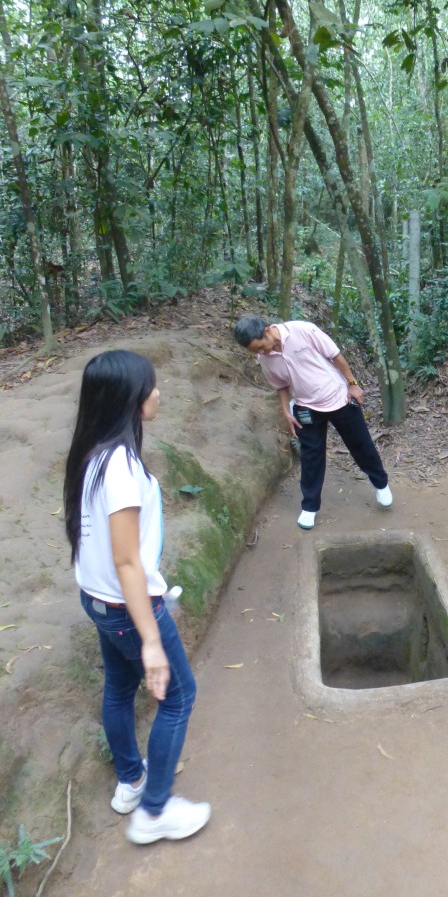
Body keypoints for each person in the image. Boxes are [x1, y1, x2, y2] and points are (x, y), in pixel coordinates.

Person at [63, 350, 211, 844]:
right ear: (129, 398)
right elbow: (127, 561)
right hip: (128, 608)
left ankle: (131, 780)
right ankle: (154, 811)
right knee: (180, 697)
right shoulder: (122, 466)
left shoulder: (92, 453)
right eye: (150, 386)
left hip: (98, 600)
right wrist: (149, 637)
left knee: (118, 689)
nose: (158, 393)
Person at [234, 315, 393, 529]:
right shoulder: (265, 358)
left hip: (337, 397)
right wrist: (285, 411)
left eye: (261, 347)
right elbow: (281, 385)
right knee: (311, 456)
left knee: (361, 444)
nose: (261, 353)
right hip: (305, 407)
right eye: (256, 352)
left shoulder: (302, 331)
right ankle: (309, 507)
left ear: (268, 331)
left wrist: (352, 384)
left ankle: (380, 484)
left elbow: (335, 355)